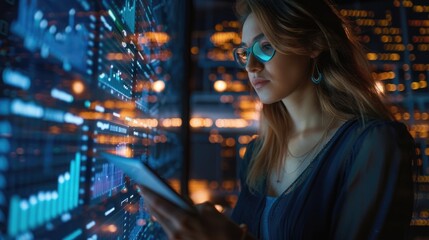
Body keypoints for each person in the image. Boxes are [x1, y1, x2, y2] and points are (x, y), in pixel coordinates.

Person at [138, 0, 416, 239]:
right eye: (245, 52)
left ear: (314, 43)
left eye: (266, 46)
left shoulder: (374, 143)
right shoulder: (259, 153)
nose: (251, 66)